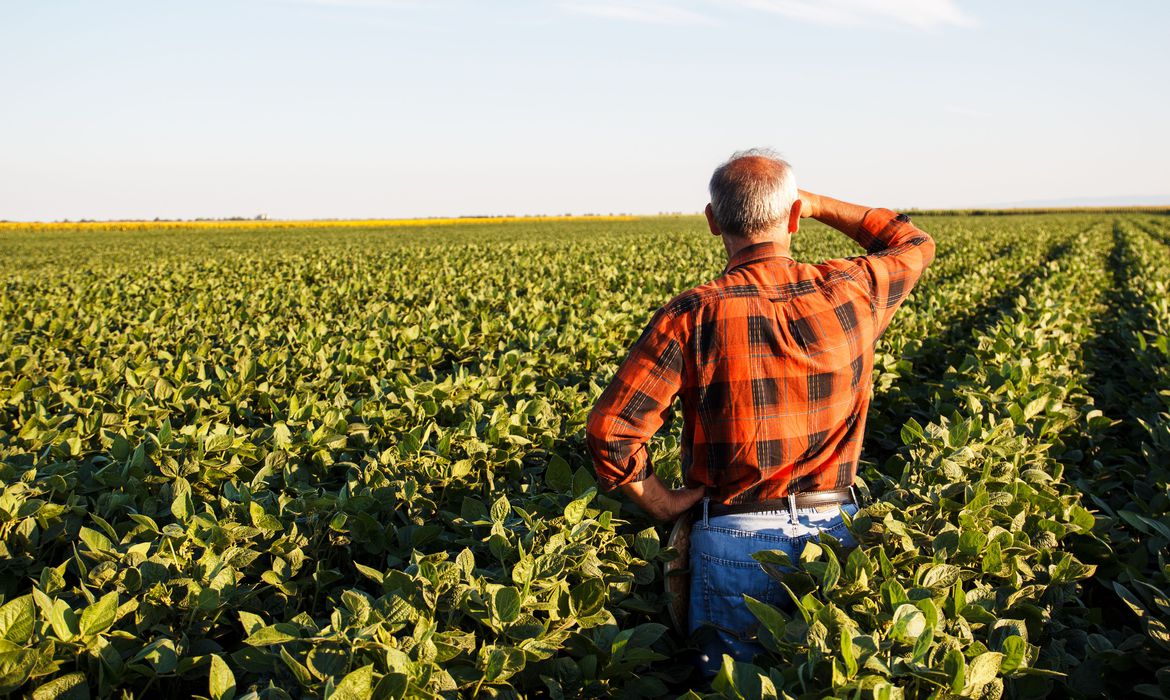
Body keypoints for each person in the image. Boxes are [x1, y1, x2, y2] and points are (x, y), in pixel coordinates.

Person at [585, 148, 935, 676]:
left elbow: (612, 432)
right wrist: (816, 203)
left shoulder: (692, 313)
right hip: (835, 534)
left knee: (735, 686)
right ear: (795, 217)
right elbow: (913, 243)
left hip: (732, 536)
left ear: (712, 221)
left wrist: (659, 502)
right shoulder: (852, 289)